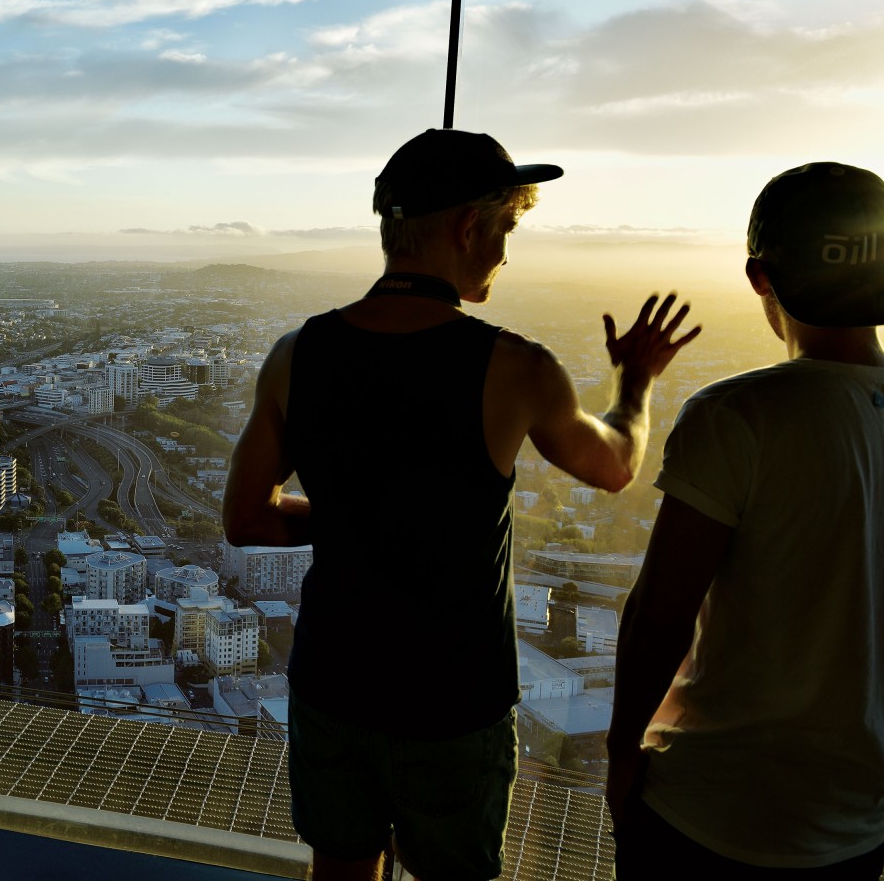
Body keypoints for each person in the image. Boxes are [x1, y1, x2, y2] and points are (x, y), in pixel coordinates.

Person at [223, 128, 700, 881]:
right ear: (468, 228)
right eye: (505, 229)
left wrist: (357, 520)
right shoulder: (516, 368)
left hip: (333, 680)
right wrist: (635, 382)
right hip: (453, 697)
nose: (506, 253)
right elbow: (615, 466)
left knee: (340, 872)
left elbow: (246, 518)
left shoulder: (296, 354)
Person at [606, 162, 884, 878]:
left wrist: (620, 757)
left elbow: (660, 615)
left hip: (712, 808)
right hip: (858, 820)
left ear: (761, 278)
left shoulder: (737, 416)